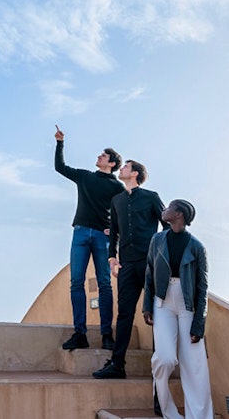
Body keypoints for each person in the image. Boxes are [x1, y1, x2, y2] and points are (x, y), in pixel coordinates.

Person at [93, 160, 166, 378]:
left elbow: (167, 225)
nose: (121, 169)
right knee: (124, 313)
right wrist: (112, 258)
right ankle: (117, 365)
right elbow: (114, 231)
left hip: (149, 263)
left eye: (125, 167)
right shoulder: (116, 201)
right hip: (126, 265)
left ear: (135, 173)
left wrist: (160, 256)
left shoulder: (151, 197)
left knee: (156, 313)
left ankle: (159, 367)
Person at [54, 125, 124, 350]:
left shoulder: (117, 187)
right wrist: (60, 143)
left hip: (102, 238)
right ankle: (80, 334)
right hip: (81, 233)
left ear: (111, 163)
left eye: (103, 155)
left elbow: (123, 214)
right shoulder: (85, 177)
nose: (99, 156)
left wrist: (114, 232)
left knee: (105, 283)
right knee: (76, 282)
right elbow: (60, 167)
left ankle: (106, 335)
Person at [143, 199, 214, 419]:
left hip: (188, 306)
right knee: (164, 359)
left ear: (179, 214)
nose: (164, 210)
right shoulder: (157, 240)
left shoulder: (196, 246)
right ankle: (169, 413)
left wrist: (198, 323)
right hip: (162, 303)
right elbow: (149, 274)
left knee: (194, 367)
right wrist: (147, 306)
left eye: (169, 207)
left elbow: (202, 287)